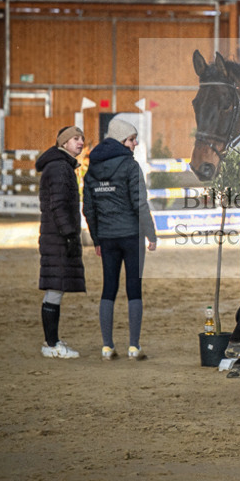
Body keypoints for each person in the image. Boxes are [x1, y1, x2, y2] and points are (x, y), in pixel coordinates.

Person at [83, 118, 157, 361]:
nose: (135, 144)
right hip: (131, 236)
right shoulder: (130, 166)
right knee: (134, 289)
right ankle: (133, 347)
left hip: (107, 237)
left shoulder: (92, 168)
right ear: (121, 141)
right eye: (131, 139)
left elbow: (89, 208)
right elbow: (140, 204)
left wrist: (96, 239)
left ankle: (107, 347)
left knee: (109, 288)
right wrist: (151, 234)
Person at [36, 125, 86, 359]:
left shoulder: (62, 166)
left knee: (56, 288)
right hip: (57, 237)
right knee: (55, 289)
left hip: (55, 236)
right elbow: (58, 205)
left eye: (82, 139)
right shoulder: (59, 168)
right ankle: (52, 343)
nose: (81, 142)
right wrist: (69, 235)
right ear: (63, 143)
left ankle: (52, 340)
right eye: (76, 138)